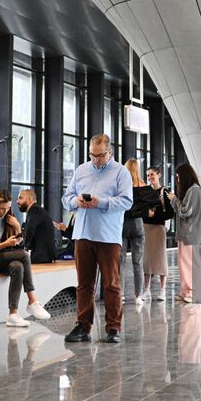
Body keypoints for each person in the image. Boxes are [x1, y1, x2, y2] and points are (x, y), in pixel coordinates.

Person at [61, 134, 133, 343]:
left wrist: (99, 202)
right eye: (92, 155)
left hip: (108, 236)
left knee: (111, 284)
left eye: (99, 156)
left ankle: (113, 328)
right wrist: (76, 201)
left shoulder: (121, 172)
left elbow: (126, 202)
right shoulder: (81, 170)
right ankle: (83, 326)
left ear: (109, 152)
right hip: (82, 234)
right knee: (84, 284)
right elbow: (67, 198)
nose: (95, 160)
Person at [0, 189, 53, 327]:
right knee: (24, 255)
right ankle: (32, 301)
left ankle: (13, 314)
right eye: (2, 208)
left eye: (8, 208)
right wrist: (5, 244)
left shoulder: (8, 217)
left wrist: (16, 228)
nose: (5, 211)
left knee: (17, 266)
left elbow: (18, 245)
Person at [172, 163, 201, 304]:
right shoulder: (191, 191)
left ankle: (193, 293)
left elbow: (186, 211)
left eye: (178, 177)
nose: (177, 180)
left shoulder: (195, 191)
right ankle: (186, 291)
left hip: (190, 233)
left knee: (191, 264)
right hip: (185, 233)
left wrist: (174, 200)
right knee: (183, 264)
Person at [141, 167, 174, 300]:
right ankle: (146, 290)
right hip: (146, 228)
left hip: (159, 228)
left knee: (161, 258)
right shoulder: (145, 191)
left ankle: (162, 290)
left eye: (152, 174)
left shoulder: (164, 191)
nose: (150, 177)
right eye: (148, 175)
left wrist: (155, 214)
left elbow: (170, 212)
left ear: (159, 175)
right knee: (147, 260)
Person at [121, 160, 147, 302]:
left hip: (122, 225)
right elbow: (147, 210)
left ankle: (121, 294)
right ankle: (138, 295)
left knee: (120, 262)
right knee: (138, 262)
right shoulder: (142, 186)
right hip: (137, 225)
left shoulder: (121, 185)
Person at [17, 188, 60, 264]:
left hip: (41, 256)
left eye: (20, 198)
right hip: (43, 255)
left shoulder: (35, 210)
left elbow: (30, 229)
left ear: (29, 200)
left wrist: (24, 247)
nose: (17, 201)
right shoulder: (37, 210)